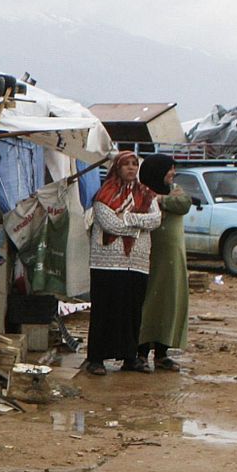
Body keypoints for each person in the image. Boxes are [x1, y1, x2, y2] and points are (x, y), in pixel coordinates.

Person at [84, 151, 161, 376]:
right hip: (107, 262)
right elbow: (109, 224)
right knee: (105, 311)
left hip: (136, 263)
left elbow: (155, 219)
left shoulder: (147, 194)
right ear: (117, 168)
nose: (131, 168)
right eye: (126, 164)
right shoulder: (104, 194)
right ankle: (96, 358)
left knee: (131, 311)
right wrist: (139, 223)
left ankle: (129, 357)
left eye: (134, 164)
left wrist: (127, 218)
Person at [137, 153, 190, 370]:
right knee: (147, 302)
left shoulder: (174, 190)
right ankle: (140, 352)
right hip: (148, 256)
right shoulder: (140, 192)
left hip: (173, 260)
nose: (173, 173)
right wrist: (156, 200)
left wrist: (160, 199)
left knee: (169, 302)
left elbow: (184, 203)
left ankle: (162, 353)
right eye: (169, 169)